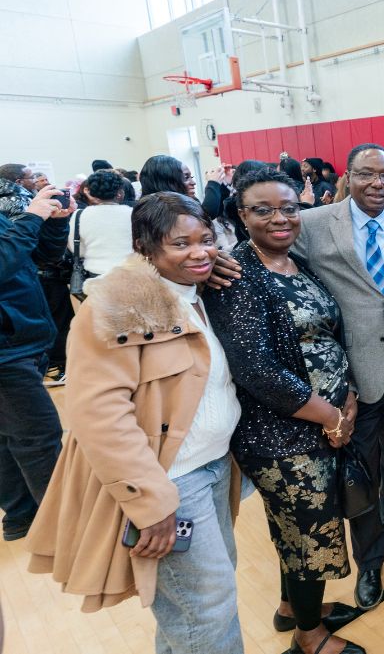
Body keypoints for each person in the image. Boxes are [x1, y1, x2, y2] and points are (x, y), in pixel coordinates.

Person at [27, 192, 243, 653]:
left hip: (215, 467)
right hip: (172, 481)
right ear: (146, 248)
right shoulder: (121, 302)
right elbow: (100, 414)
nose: (200, 252)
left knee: (196, 607)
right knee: (205, 608)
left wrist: (205, 263)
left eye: (206, 240)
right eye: (180, 244)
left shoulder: (194, 288)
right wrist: (151, 501)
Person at [204, 169, 364, 654]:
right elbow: (258, 370)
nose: (281, 218)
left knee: (294, 526)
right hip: (281, 435)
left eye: (290, 208)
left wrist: (348, 398)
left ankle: (294, 607)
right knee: (310, 531)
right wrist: (330, 416)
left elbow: (330, 337)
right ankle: (310, 637)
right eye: (264, 209)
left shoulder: (296, 262)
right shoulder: (234, 276)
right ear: (240, 215)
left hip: (323, 422)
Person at [289, 143, 384, 610]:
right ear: (347, 176)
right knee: (361, 473)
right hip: (347, 379)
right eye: (367, 175)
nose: (378, 184)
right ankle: (369, 561)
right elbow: (267, 251)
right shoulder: (314, 224)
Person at [0, 185, 72, 541]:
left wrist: (56, 223)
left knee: (12, 437)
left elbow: (39, 257)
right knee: (39, 438)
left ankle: (22, 517)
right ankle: (61, 527)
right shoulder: (18, 219)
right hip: (6, 355)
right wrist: (30, 217)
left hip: (19, 343)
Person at [68, 170, 134, 284]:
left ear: (90, 192)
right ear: (120, 192)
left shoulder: (79, 215)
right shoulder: (132, 213)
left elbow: (76, 249)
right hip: (130, 270)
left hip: (95, 274)